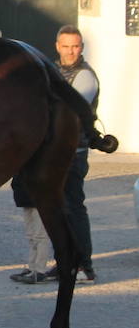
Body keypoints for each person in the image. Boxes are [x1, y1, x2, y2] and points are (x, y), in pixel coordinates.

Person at [53, 25, 99, 282]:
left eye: (75, 46)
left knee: (73, 208)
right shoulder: (53, 70)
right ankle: (64, 262)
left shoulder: (85, 77)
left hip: (74, 151)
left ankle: (83, 265)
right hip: (54, 151)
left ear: (81, 47)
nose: (71, 51)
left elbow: (68, 109)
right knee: (57, 209)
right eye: (66, 46)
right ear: (57, 46)